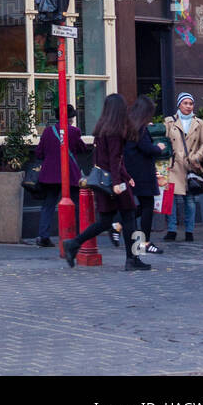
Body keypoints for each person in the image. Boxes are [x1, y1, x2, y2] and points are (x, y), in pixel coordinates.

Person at [64, 93, 150, 272]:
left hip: (104, 181)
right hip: (114, 181)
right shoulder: (115, 132)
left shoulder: (102, 129)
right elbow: (115, 159)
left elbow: (105, 159)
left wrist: (126, 175)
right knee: (129, 217)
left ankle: (74, 243)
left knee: (105, 221)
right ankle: (132, 259)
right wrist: (120, 182)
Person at [33, 103, 87, 247]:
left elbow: (39, 152)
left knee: (48, 205)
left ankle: (43, 236)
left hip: (50, 175)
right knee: (76, 203)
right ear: (71, 118)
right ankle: (77, 236)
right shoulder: (74, 132)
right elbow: (82, 148)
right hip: (69, 174)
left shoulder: (48, 131)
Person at [163, 92, 203, 242]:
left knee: (190, 200)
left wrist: (198, 156)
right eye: (185, 103)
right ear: (179, 104)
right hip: (174, 165)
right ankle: (172, 230)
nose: (188, 106)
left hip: (191, 165)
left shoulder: (199, 123)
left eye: (191, 103)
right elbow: (162, 140)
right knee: (172, 199)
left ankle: (189, 231)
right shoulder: (169, 122)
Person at [125, 95, 168, 255]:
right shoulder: (140, 129)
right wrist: (159, 147)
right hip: (143, 173)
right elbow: (147, 148)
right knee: (147, 207)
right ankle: (145, 242)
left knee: (140, 206)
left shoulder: (130, 126)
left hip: (133, 171)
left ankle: (119, 226)